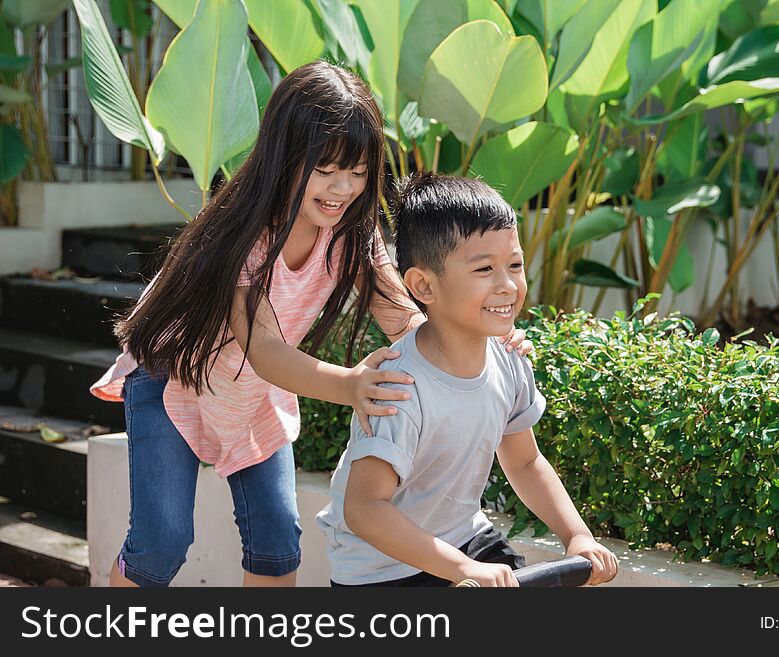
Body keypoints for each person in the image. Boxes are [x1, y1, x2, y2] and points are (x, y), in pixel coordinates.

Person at [89, 61, 531, 588]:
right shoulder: (245, 235)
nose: (342, 187)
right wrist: (350, 384)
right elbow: (267, 350)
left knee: (277, 544)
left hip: (254, 394)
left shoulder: (354, 235)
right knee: (161, 541)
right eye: (325, 169)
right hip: (175, 380)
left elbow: (407, 318)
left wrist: (481, 339)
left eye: (360, 171)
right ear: (284, 156)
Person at [316, 172, 619, 587]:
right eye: (484, 269)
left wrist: (577, 535)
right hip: (383, 571)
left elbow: (525, 461)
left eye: (514, 265)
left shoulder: (508, 358)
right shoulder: (399, 386)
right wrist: (463, 570)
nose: (508, 285)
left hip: (466, 540)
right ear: (423, 285)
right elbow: (365, 508)